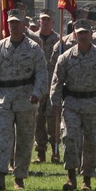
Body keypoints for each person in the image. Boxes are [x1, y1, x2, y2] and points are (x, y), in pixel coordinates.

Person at [50, 19, 96, 191]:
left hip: (94, 103)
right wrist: (55, 102)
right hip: (72, 103)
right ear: (74, 34)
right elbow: (56, 82)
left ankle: (86, 179)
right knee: (70, 138)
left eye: (86, 33)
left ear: (91, 34)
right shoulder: (65, 58)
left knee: (92, 141)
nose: (83, 36)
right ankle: (71, 176)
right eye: (79, 33)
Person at [0, 9, 48, 191]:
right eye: (11, 22)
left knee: (25, 139)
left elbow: (42, 73)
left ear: (24, 25)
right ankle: (0, 176)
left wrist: (38, 92)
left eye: (17, 23)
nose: (14, 26)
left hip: (26, 97)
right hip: (4, 98)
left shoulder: (34, 48)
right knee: (3, 137)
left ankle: (19, 177)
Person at [33, 10, 62, 164]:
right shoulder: (32, 39)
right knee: (38, 120)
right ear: (39, 21)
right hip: (37, 86)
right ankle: (40, 152)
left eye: (48, 20)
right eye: (42, 19)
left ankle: (55, 150)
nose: (45, 22)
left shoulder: (59, 40)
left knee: (53, 120)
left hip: (52, 85)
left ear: (53, 22)